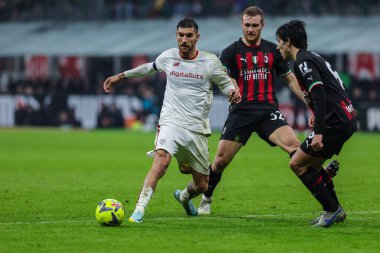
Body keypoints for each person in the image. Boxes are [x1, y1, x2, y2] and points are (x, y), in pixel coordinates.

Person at [103, 18, 241, 223]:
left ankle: (184, 196)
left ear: (197, 37)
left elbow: (226, 83)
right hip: (171, 122)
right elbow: (148, 68)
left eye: (188, 35)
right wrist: (121, 76)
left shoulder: (210, 62)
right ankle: (139, 210)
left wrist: (233, 92)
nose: (184, 39)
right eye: (180, 35)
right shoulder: (168, 57)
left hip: (197, 129)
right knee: (161, 159)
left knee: (203, 185)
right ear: (176, 36)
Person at [197, 6, 333, 215]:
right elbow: (225, 77)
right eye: (247, 25)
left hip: (268, 110)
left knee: (294, 147)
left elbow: (290, 79)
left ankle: (323, 175)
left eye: (254, 25)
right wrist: (232, 87)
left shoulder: (272, 50)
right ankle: (207, 197)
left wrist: (312, 105)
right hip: (242, 111)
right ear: (242, 24)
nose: (250, 29)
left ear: (262, 26)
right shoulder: (231, 51)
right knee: (220, 161)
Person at [276, 20, 357, 227]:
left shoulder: (302, 61)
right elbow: (332, 89)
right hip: (343, 118)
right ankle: (334, 209)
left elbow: (319, 93)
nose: (278, 47)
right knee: (313, 165)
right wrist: (316, 113)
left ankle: (332, 210)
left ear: (288, 41)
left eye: (279, 41)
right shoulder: (313, 57)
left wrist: (319, 130)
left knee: (297, 164)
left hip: (334, 123)